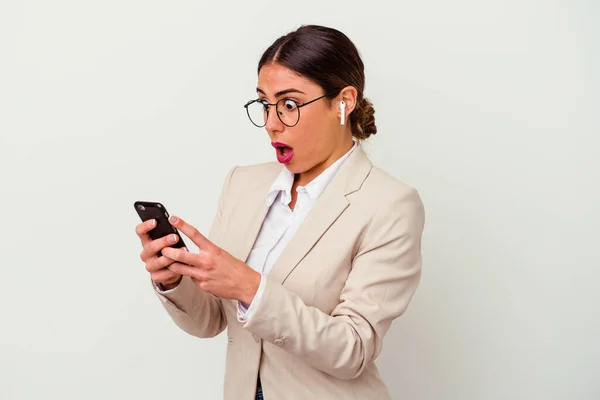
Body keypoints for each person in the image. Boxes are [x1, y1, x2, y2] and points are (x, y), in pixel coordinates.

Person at [135, 24, 425, 400]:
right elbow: (210, 321)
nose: (271, 123)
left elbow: (353, 348)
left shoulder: (391, 205)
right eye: (264, 104)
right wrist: (174, 279)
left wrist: (249, 287)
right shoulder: (243, 184)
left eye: (289, 105)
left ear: (344, 101)